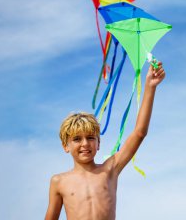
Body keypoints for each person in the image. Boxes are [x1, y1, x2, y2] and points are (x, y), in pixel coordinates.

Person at [45, 63, 166, 220]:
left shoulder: (110, 170)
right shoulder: (59, 182)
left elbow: (139, 133)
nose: (85, 144)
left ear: (98, 143)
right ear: (65, 146)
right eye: (76, 139)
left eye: (90, 138)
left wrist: (150, 86)